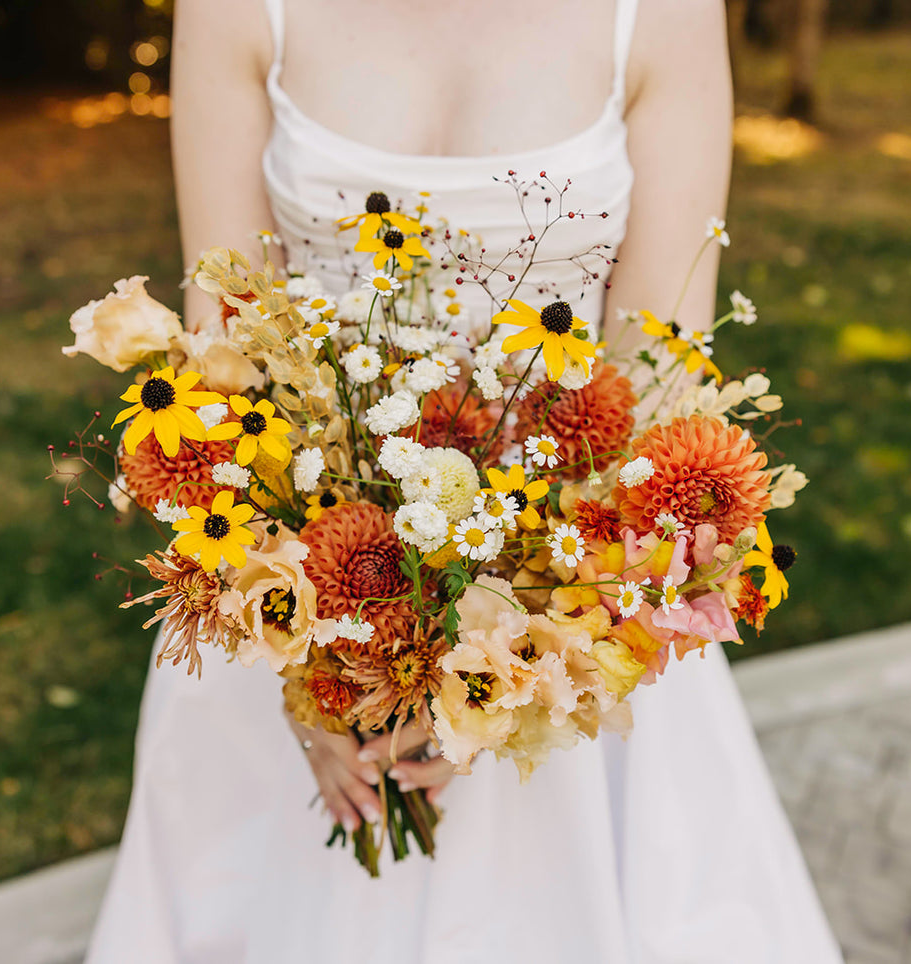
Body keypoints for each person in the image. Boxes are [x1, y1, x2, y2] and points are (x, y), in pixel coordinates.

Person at [86, 1, 842, 961]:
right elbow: (225, 346)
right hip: (289, 582)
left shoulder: (660, 14)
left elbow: (657, 373)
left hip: (564, 592)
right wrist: (311, 682)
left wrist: (507, 675)